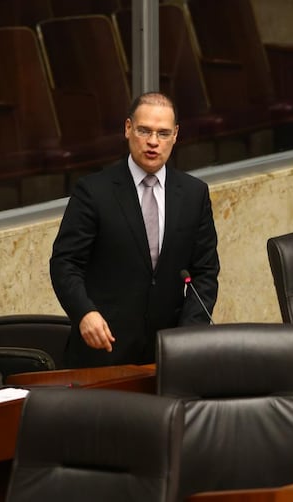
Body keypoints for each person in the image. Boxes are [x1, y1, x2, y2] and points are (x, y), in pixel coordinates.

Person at [50, 92, 220, 368]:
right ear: (128, 128)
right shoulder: (93, 191)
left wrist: (187, 336)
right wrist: (84, 313)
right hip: (104, 349)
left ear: (176, 135)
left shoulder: (194, 194)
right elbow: (65, 263)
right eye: (144, 131)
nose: (153, 141)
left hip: (168, 353)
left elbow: (205, 273)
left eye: (163, 133)